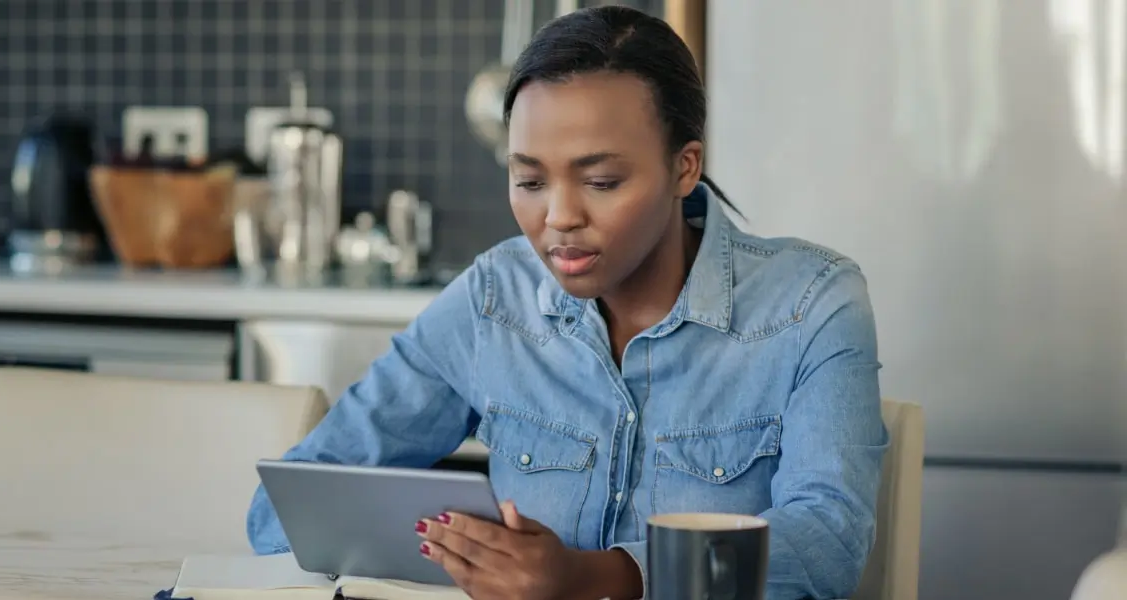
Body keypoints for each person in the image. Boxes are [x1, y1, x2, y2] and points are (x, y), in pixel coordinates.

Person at [247, 5, 888, 600]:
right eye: (528, 179)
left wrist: (591, 577)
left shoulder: (812, 302)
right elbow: (284, 511)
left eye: (601, 181)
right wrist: (456, 554)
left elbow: (826, 541)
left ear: (684, 167)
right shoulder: (493, 299)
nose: (557, 217)